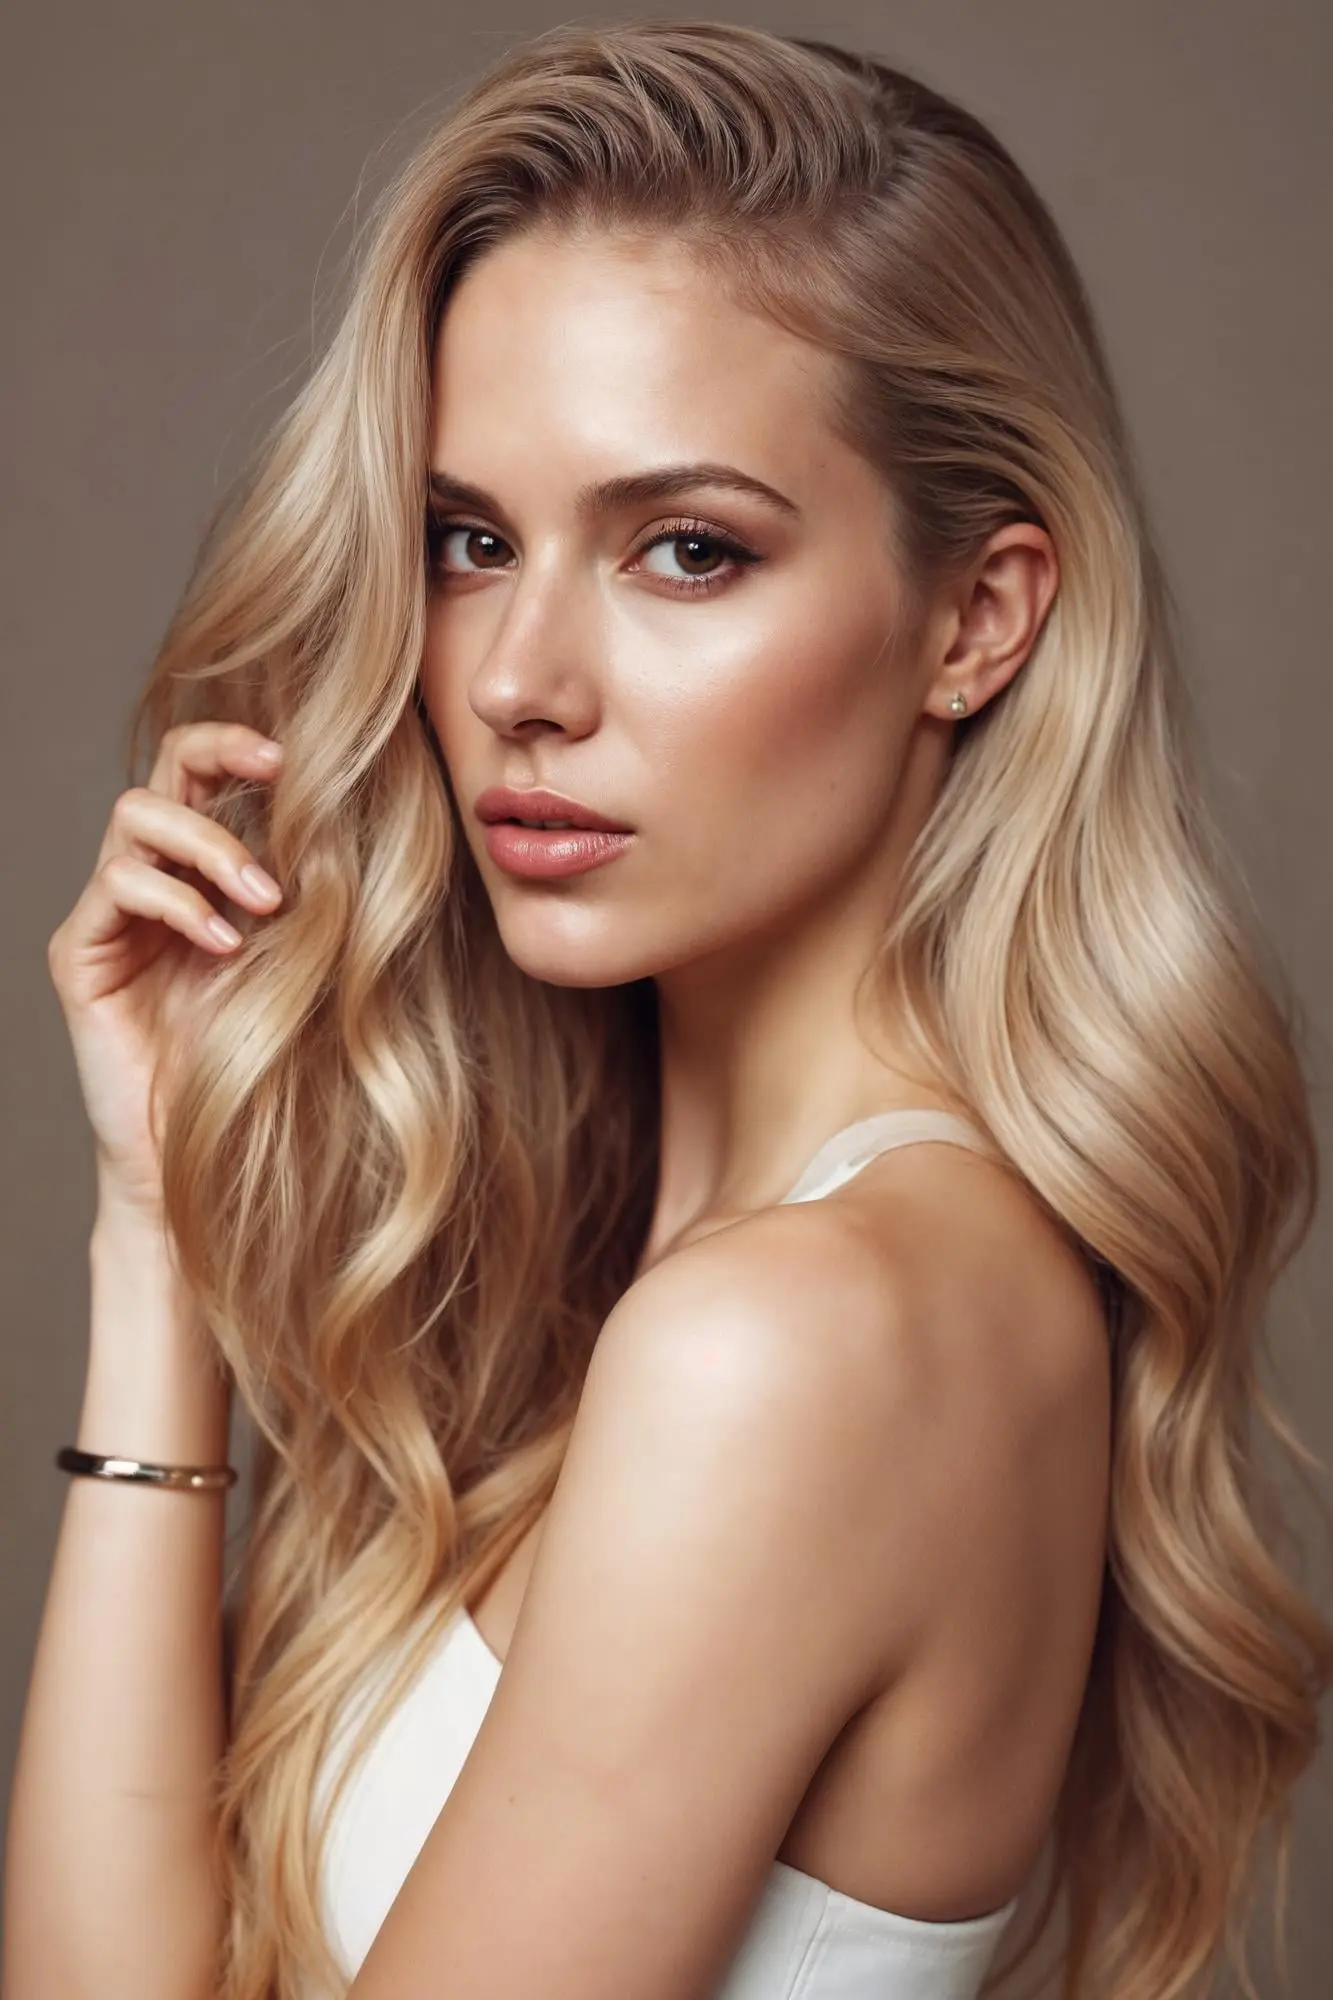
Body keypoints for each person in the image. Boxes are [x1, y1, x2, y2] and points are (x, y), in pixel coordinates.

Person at [6, 19, 1328, 2000]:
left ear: (976, 621)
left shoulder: (797, 1340)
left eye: (687, 550)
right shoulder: (650, 1276)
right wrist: (161, 1231)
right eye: (471, 542)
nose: (518, 679)